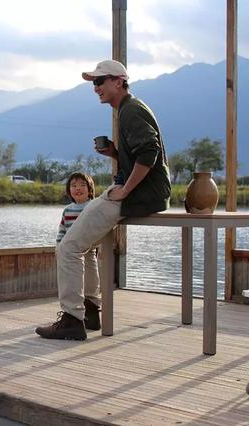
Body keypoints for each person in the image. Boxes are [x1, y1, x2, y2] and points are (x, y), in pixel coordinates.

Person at [36, 60, 171, 340]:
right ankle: (90, 313)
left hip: (140, 195)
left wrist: (124, 189)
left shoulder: (131, 110)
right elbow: (141, 154)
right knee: (78, 247)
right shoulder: (127, 109)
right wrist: (115, 153)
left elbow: (149, 152)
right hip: (142, 192)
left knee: (68, 247)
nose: (96, 87)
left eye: (101, 81)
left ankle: (73, 320)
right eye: (94, 83)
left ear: (119, 81)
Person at [55, 172, 101, 331]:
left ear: (90, 189)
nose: (78, 188)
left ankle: (91, 308)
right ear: (69, 190)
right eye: (73, 186)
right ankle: (81, 311)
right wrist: (59, 246)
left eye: (82, 185)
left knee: (90, 272)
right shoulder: (68, 210)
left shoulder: (93, 206)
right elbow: (62, 230)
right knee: (75, 277)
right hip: (70, 250)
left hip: (88, 247)